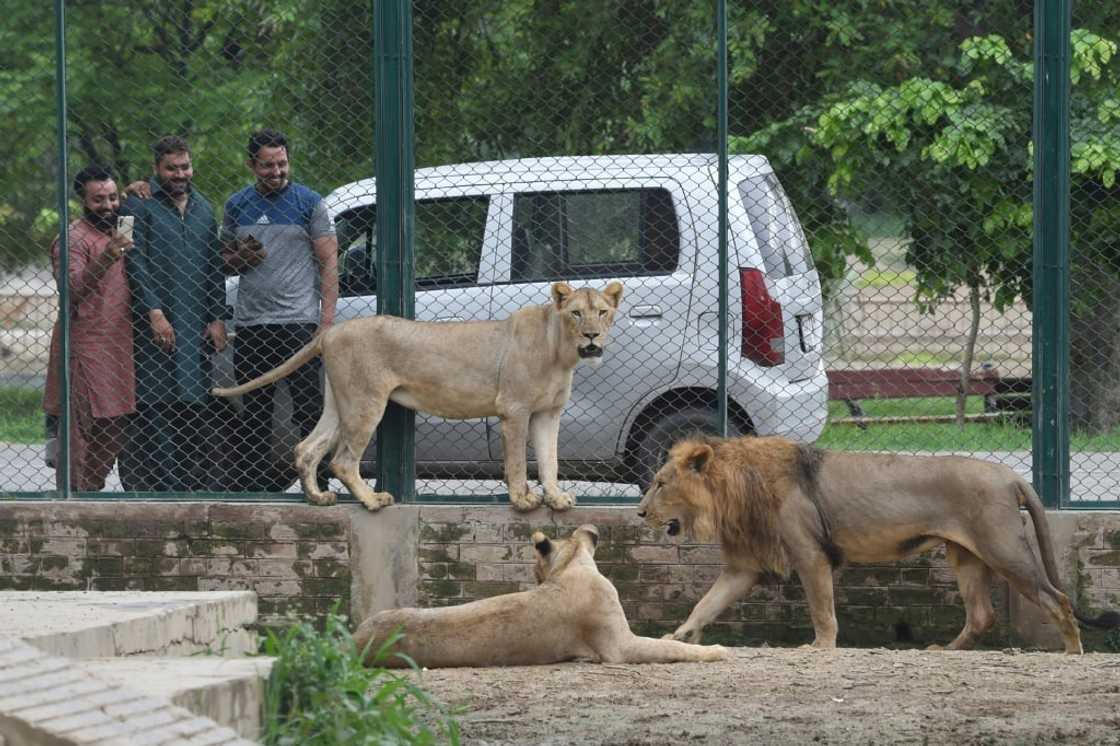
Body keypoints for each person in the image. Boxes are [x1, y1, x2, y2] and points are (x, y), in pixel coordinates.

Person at [221, 128, 338, 491]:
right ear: (252, 165)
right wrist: (240, 256)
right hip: (253, 324)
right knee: (255, 411)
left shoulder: (309, 202)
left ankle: (317, 480)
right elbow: (223, 261)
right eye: (268, 165)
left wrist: (326, 321)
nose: (277, 171)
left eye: (282, 163)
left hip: (298, 323)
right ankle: (255, 487)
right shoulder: (237, 205)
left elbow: (329, 260)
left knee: (308, 407)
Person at [119, 135, 227, 491]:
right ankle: (163, 487)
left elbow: (214, 265)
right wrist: (153, 311)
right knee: (156, 406)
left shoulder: (204, 208)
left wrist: (216, 317)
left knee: (194, 405)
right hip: (153, 324)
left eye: (185, 166)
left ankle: (190, 486)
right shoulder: (132, 205)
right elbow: (130, 261)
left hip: (195, 322)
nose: (180, 174)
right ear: (156, 169)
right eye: (171, 168)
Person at [42, 165, 135, 491]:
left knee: (114, 429)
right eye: (98, 200)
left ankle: (90, 495)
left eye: (112, 197)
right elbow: (71, 290)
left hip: (118, 348)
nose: (108, 206)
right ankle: (71, 502)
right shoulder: (72, 239)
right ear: (81, 200)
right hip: (84, 347)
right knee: (78, 432)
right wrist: (106, 258)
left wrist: (139, 188)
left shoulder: (120, 232)